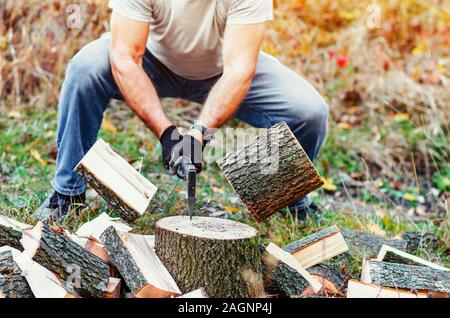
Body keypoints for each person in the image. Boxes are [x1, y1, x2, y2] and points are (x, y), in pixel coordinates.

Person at [35, 0, 329, 222]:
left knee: (308, 112)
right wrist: (167, 134)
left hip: (223, 71)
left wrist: (200, 134)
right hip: (152, 61)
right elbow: (125, 57)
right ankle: (67, 194)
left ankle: (284, 200)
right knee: (84, 70)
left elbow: (240, 69)